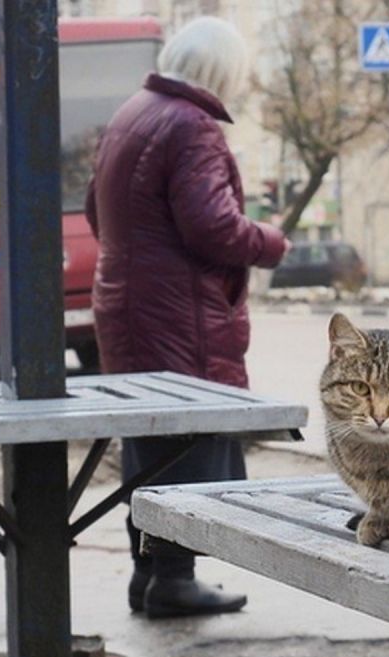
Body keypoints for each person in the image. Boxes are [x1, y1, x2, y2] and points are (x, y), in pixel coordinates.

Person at [84, 17, 289, 619]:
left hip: (128, 310)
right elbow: (213, 227)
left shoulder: (134, 114)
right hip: (179, 317)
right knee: (187, 448)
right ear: (221, 72)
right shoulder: (191, 125)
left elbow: (97, 211)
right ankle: (173, 578)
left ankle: (147, 576)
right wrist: (271, 242)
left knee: (151, 445)